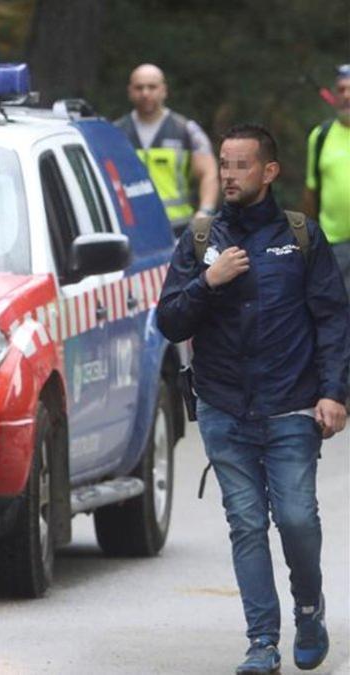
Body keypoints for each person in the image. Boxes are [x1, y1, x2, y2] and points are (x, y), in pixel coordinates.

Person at [157, 124, 349, 674]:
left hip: (292, 406)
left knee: (296, 519)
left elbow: (334, 321)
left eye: (241, 165)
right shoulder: (199, 240)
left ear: (269, 172)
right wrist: (207, 282)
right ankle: (261, 643)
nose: (229, 175)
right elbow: (170, 321)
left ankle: (308, 609)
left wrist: (335, 393)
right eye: (223, 164)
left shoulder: (302, 237)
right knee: (245, 523)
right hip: (223, 408)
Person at [116, 64, 220, 235]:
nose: (145, 93)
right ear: (130, 91)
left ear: (164, 90)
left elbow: (209, 173)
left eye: (152, 87)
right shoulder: (116, 133)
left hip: (178, 229)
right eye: (139, 87)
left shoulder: (186, 130)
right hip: (131, 229)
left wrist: (205, 212)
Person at [302, 64, 350, 296]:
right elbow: (311, 190)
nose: (347, 96)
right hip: (333, 244)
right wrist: (310, 239)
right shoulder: (320, 136)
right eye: (341, 90)